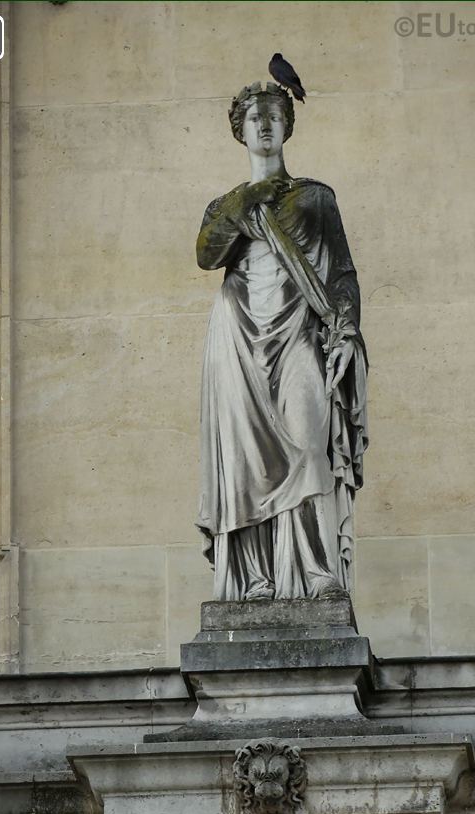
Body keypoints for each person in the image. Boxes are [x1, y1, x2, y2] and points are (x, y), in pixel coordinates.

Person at [195, 81, 368, 602]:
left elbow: (341, 273)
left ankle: (315, 572)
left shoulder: (315, 196)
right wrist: (247, 200)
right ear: (240, 131)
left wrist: (345, 329)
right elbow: (206, 255)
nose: (265, 125)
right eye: (254, 118)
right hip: (237, 336)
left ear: (286, 126)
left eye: (273, 116)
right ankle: (255, 579)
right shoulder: (225, 206)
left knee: (309, 440)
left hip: (299, 332)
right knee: (244, 458)